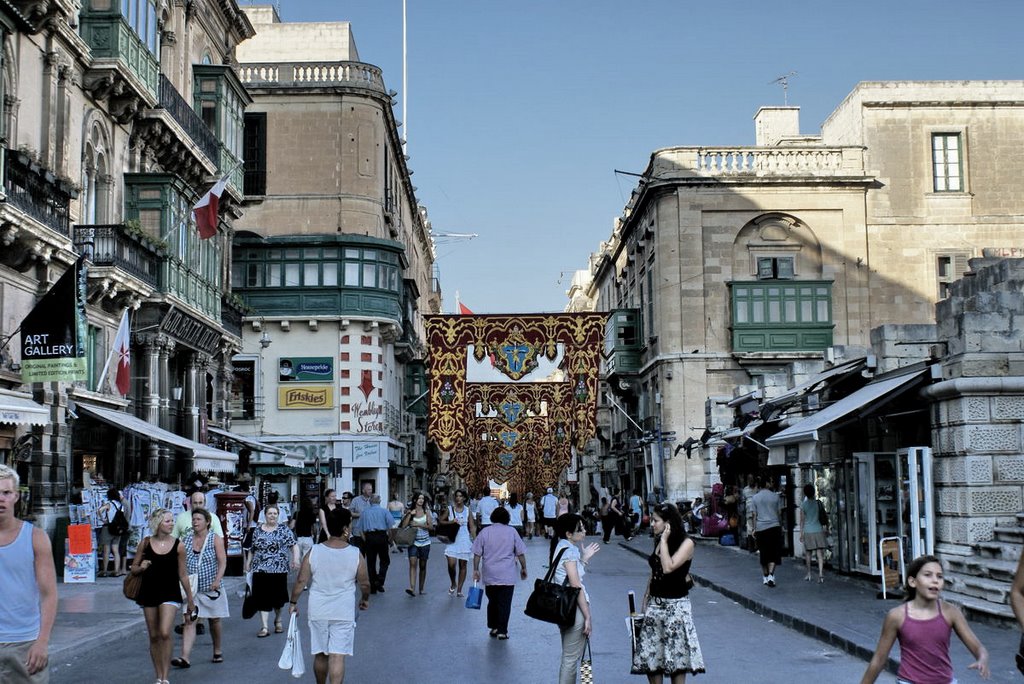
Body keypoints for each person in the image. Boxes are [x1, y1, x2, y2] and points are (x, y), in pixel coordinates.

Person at [860, 554, 989, 684]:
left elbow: (978, 647)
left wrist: (982, 658)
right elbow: (879, 659)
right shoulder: (896, 616)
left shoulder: (951, 612)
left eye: (939, 576)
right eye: (928, 575)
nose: (935, 580)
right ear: (913, 582)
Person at [290, 507, 371, 684]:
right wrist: (364, 599)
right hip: (343, 610)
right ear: (345, 529)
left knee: (320, 653)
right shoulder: (355, 553)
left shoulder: (315, 551)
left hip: (318, 609)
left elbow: (301, 581)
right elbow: (365, 583)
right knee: (337, 656)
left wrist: (293, 602)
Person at [632, 503, 705, 682]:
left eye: (656, 521)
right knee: (651, 658)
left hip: (676, 608)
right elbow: (655, 570)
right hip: (655, 606)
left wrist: (664, 541)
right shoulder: (658, 540)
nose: (652, 524)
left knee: (676, 657)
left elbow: (668, 567)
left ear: (668, 523)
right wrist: (646, 597)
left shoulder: (686, 543)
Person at [0, 464, 56, 683]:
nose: (1, 499)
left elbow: (49, 594)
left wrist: (42, 642)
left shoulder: (35, 537)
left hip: (24, 643)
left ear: (16, 496)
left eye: (6, 492)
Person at [132, 508, 196, 684]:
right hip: (149, 591)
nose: (171, 524)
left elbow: (183, 574)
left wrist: (190, 600)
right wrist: (142, 567)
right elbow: (133, 568)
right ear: (158, 523)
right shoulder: (145, 543)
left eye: (171, 521)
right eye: (167, 521)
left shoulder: (178, 545)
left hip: (170, 592)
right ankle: (158, 675)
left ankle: (166, 677)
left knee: (165, 632)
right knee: (153, 635)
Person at [172, 508, 227, 668]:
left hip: (211, 588)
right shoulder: (186, 540)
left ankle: (217, 650)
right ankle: (185, 657)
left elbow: (222, 561)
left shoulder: (214, 539)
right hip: (192, 589)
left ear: (207, 522)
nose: (195, 522)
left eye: (198, 519)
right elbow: (180, 563)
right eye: (193, 519)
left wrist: (217, 579)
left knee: (214, 620)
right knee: (189, 620)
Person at [550, 514, 600, 683]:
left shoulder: (562, 547)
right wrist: (587, 616)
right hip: (574, 609)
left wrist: (584, 559)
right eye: (580, 529)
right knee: (571, 659)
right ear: (569, 533)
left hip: (563, 607)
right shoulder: (570, 551)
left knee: (571, 655)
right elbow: (575, 584)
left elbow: (571, 576)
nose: (584, 531)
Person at [472, 506, 528, 640]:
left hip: (490, 573)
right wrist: (523, 568)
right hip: (507, 573)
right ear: (507, 518)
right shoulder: (512, 531)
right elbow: (520, 553)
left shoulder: (485, 532)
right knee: (505, 603)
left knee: (492, 601)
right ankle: (502, 631)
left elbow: (477, 553)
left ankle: (494, 626)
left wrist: (475, 569)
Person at [247, 502, 299, 637]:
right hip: (260, 569)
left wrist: (295, 559)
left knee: (278, 599)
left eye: (275, 514)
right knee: (261, 598)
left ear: (278, 516)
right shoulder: (257, 530)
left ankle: (278, 620)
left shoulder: (283, 530)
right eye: (270, 513)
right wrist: (248, 564)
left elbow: (294, 545)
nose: (272, 516)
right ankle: (264, 627)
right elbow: (252, 549)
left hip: (279, 569)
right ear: (265, 515)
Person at [440, 489, 477, 597]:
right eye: (457, 496)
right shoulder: (450, 509)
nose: (458, 498)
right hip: (452, 539)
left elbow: (472, 526)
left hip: (464, 539)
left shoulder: (467, 510)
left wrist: (475, 541)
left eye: (460, 496)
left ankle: (459, 589)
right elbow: (441, 521)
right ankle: (453, 583)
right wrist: (451, 521)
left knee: (463, 565)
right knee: (451, 564)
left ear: (464, 498)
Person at [750, 478, 782, 587]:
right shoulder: (775, 496)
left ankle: (765, 576)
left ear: (759, 486)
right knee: (773, 552)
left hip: (761, 527)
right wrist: (780, 524)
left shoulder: (755, 498)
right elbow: (779, 512)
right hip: (774, 526)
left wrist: (754, 528)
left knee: (763, 553)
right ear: (767, 484)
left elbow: (754, 515)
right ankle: (771, 575)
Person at [358, 495, 393, 593]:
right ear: (379, 501)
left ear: (370, 502)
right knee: (385, 560)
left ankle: (373, 586)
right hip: (381, 536)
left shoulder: (365, 512)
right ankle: (380, 580)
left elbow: (360, 529)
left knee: (371, 562)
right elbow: (390, 526)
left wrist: (365, 539)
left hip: (370, 537)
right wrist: (390, 538)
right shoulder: (385, 511)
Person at [401, 493, 434, 596]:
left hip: (425, 542)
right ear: (415, 500)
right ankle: (411, 588)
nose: (421, 500)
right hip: (413, 542)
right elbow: (404, 525)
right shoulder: (410, 512)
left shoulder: (427, 511)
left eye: (422, 499)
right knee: (412, 564)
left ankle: (421, 588)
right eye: (419, 498)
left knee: (423, 565)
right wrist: (410, 514)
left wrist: (418, 524)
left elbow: (431, 527)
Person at [799, 484, 828, 583]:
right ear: (814, 492)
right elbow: (823, 516)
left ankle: (809, 574)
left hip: (808, 531)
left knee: (808, 554)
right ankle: (820, 575)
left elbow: (802, 521)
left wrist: (801, 533)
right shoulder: (818, 503)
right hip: (818, 529)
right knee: (820, 554)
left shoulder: (803, 505)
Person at [97, 486, 127, 577]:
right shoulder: (120, 505)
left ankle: (105, 571)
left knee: (106, 550)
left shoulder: (109, 504)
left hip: (108, 528)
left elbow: (99, 510)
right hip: (117, 530)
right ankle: (116, 571)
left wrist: (102, 519)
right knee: (115, 550)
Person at [348, 481, 374, 548]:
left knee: (370, 555)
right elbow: (349, 513)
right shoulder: (355, 500)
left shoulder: (373, 500)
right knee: (359, 554)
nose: (370, 491)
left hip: (370, 532)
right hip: (358, 532)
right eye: (368, 489)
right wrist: (360, 514)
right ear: (363, 490)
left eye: (371, 489)